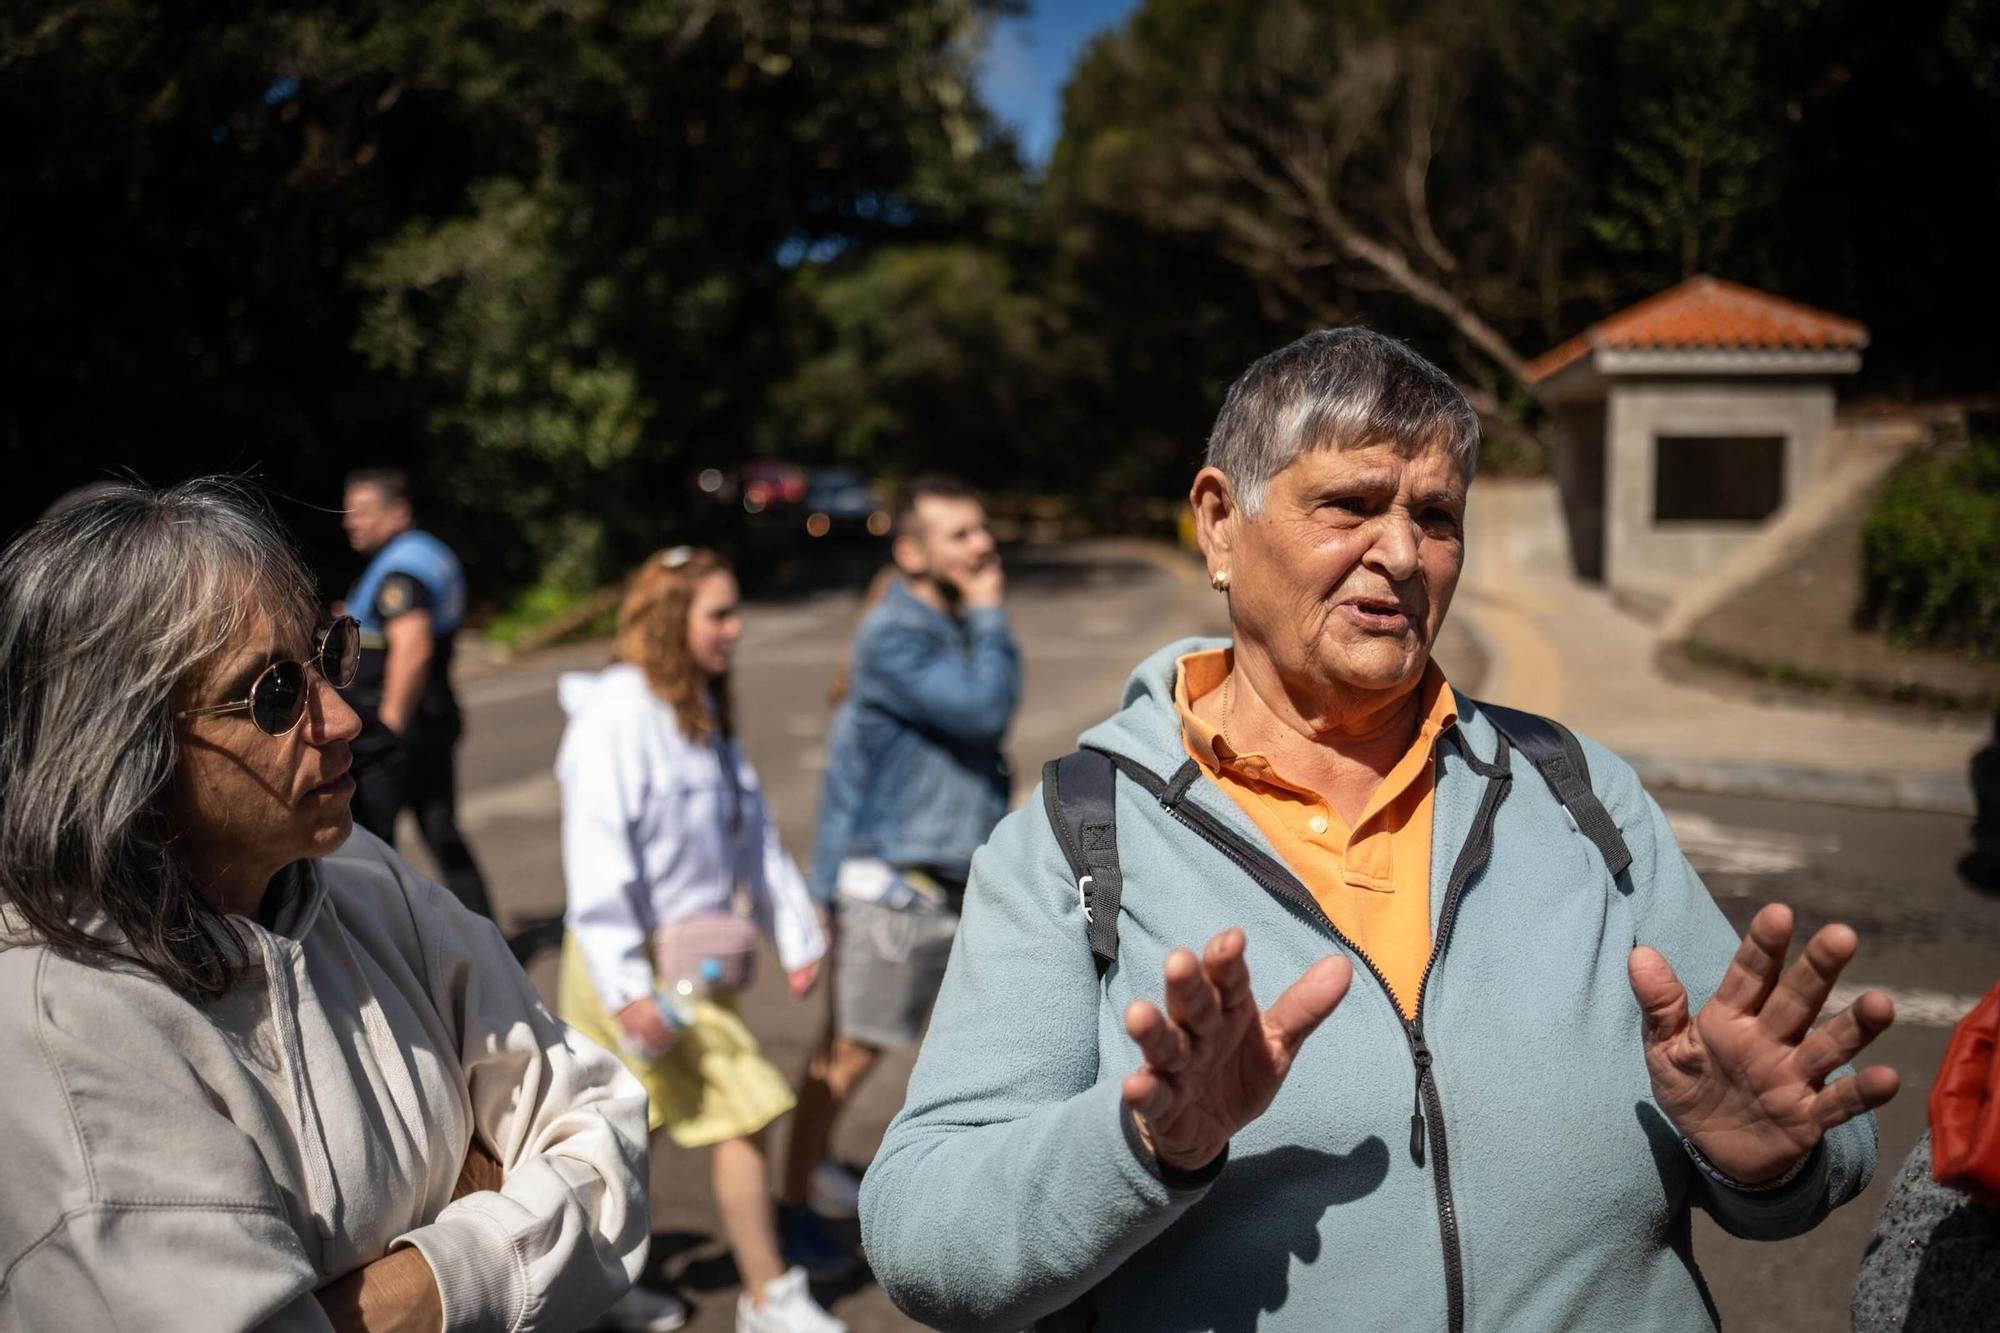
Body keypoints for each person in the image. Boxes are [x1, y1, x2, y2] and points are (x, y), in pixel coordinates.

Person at [858, 329, 1898, 1331]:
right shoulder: (1078, 835)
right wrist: (1137, 1143)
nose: (1400, 553)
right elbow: (921, 1235)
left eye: (1436, 517)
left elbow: (1811, 1123)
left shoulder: (1577, 791)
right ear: (1219, 523)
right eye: (1350, 504)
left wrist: (1768, 1156)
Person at [0, 479, 649, 1330]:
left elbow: (607, 1134)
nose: (341, 715)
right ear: (125, 749)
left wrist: (394, 1284)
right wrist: (494, 1202)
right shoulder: (61, 1031)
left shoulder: (361, 878)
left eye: (327, 652)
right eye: (273, 695)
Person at [554, 547, 841, 1333]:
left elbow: (755, 834)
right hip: (630, 966)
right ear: (667, 621)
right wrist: (625, 988)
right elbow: (596, 860)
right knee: (737, 1108)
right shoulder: (616, 716)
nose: (734, 629)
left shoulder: (699, 710)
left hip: (693, 965)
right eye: (718, 613)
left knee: (610, 1135)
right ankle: (767, 1296)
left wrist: (796, 930)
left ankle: (596, 1290)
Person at [777, 476, 1020, 1265]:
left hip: (930, 872)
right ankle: (790, 1209)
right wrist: (989, 610)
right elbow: (986, 710)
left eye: (981, 528)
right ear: (913, 553)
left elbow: (853, 763)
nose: (981, 545)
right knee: (848, 1052)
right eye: (960, 535)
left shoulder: (924, 621)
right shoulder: (900, 635)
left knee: (877, 1048)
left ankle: (813, 1176)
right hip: (898, 884)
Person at [340, 466, 492, 918]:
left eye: (364, 512)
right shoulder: (428, 555)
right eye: (349, 511)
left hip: (400, 730)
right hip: (433, 717)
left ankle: (389, 954)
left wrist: (387, 727)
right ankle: (487, 934)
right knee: (442, 831)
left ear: (399, 513)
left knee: (371, 849)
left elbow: (414, 647)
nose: (351, 521)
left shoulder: (400, 574)